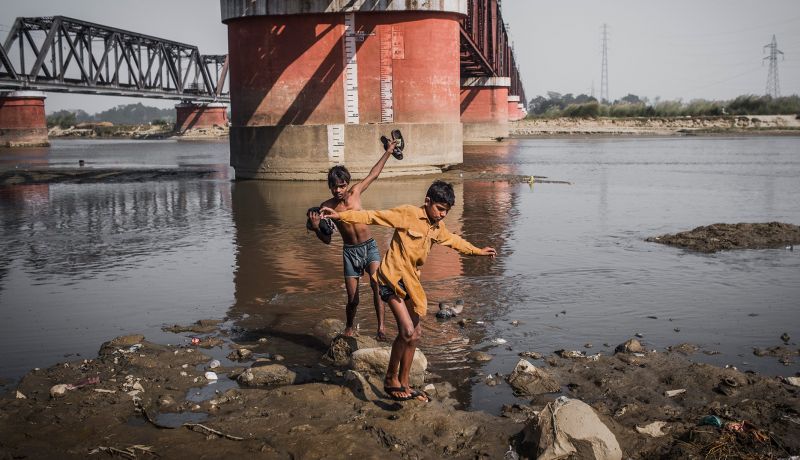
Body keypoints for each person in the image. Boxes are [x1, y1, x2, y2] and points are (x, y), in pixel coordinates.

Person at [321, 180, 496, 401]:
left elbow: (454, 241)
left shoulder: (437, 228)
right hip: (390, 278)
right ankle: (390, 379)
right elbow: (373, 216)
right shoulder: (408, 213)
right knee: (406, 330)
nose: (442, 214)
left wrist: (478, 251)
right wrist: (341, 216)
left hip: (411, 282)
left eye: (446, 211)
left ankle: (404, 383)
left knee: (416, 335)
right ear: (427, 201)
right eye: (440, 209)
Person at [307, 140, 398, 340]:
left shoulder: (356, 193)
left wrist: (389, 152)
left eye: (342, 186)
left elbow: (374, 174)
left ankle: (381, 328)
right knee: (353, 298)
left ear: (347, 184)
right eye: (334, 187)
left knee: (377, 285)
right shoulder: (326, 207)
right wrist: (315, 228)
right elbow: (327, 240)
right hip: (350, 252)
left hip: (369, 247)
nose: (338, 190)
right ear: (329, 187)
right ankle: (349, 326)